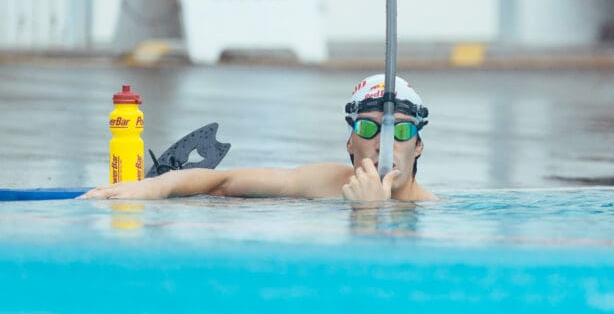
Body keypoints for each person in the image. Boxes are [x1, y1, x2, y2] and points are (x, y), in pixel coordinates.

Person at [80, 74, 437, 201]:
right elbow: (223, 181)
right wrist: (155, 187)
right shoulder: (327, 182)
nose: (382, 143)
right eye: (367, 128)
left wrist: (371, 215)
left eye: (401, 131)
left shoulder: (434, 216)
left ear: (418, 144)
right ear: (349, 142)